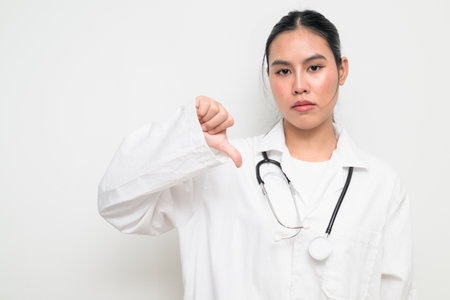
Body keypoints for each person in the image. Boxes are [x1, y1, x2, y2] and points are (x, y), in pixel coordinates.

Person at [98, 10, 416, 300]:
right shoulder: (221, 168)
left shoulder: (381, 185)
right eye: (283, 72)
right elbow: (116, 204)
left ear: (341, 70)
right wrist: (189, 143)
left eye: (315, 67)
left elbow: (397, 293)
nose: (299, 85)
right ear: (269, 77)